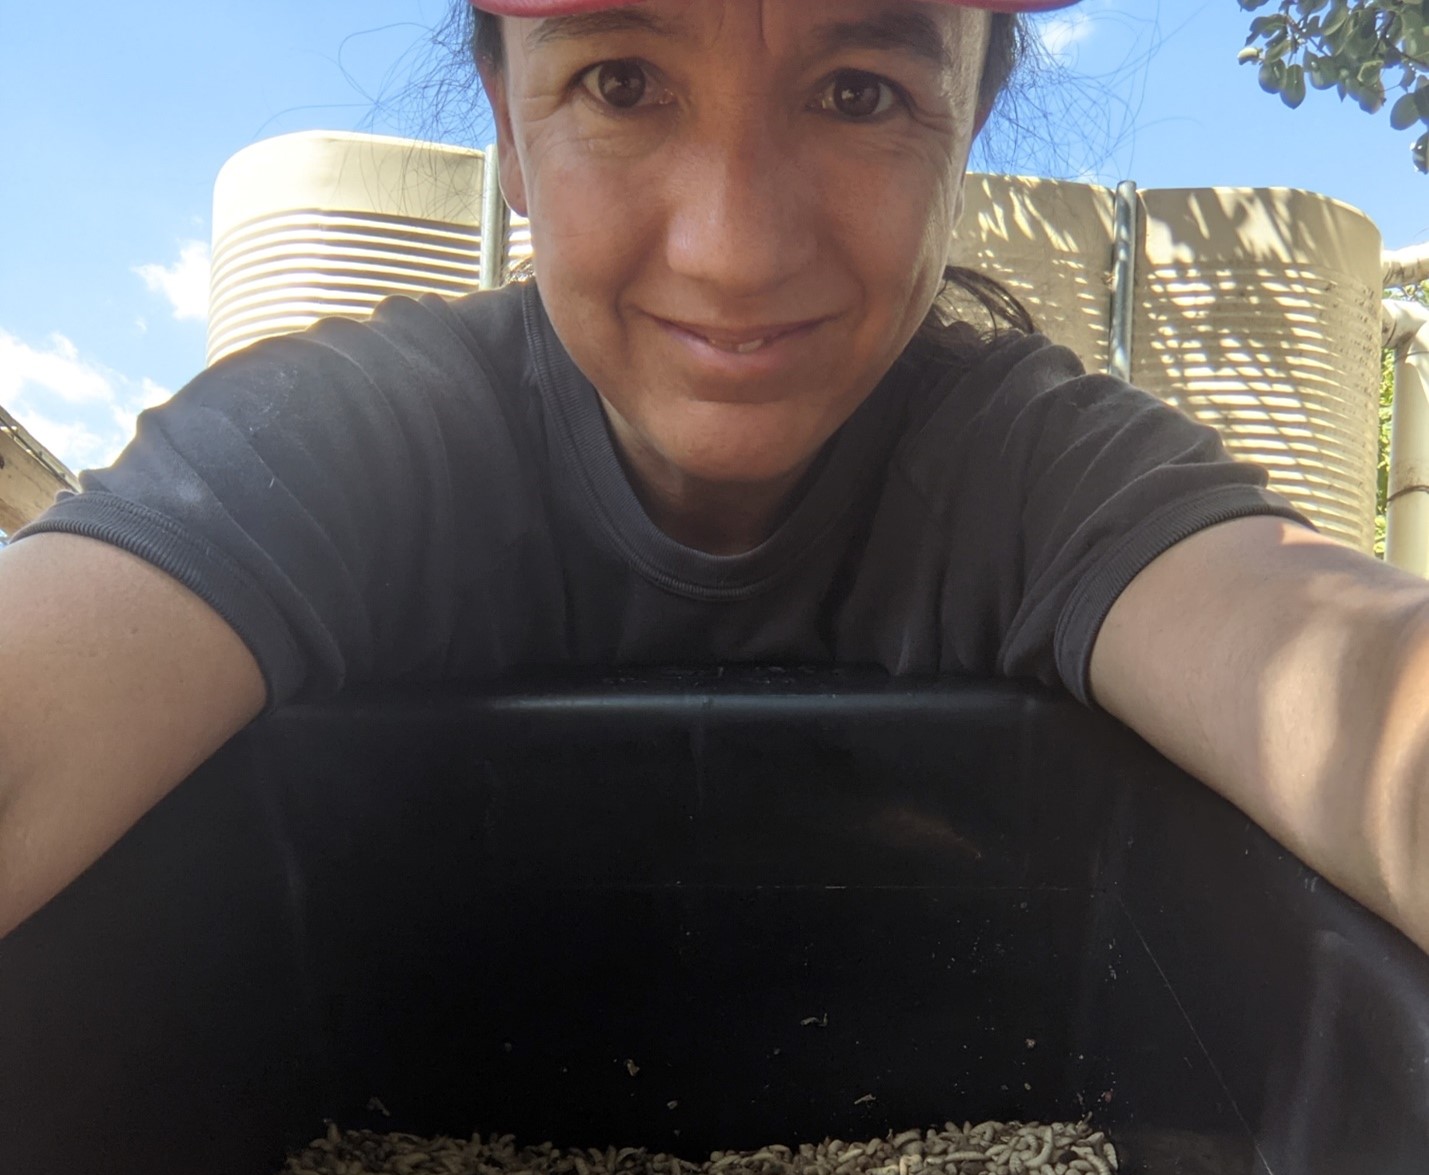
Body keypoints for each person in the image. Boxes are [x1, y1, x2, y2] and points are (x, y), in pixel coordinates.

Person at [1, 0, 1426, 954]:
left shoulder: (1037, 474)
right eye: (621, 83)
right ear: (506, 123)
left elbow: (1343, 691)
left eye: (858, 92)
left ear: (968, 130)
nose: (733, 246)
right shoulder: (341, 445)